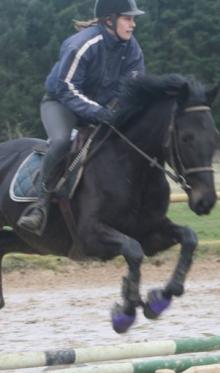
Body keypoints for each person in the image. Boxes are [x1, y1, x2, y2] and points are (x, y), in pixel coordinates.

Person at [17, 0, 145, 235]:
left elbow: (131, 87)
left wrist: (118, 112)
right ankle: (39, 206)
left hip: (100, 108)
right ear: (110, 19)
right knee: (61, 141)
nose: (133, 24)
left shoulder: (132, 48)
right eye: (128, 18)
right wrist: (101, 113)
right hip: (61, 103)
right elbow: (66, 87)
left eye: (133, 19)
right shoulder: (83, 45)